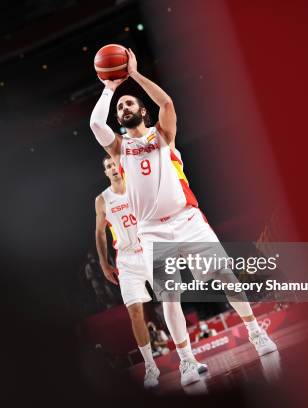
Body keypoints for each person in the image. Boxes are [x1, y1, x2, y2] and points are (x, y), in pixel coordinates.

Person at [88, 48, 277, 383]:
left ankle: (256, 333)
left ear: (142, 110)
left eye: (129, 103)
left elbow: (168, 105)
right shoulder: (119, 150)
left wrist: (132, 75)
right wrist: (109, 87)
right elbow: (94, 123)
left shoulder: (163, 137)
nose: (124, 107)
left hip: (187, 220)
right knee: (169, 297)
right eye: (120, 106)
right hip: (152, 232)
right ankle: (188, 361)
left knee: (225, 277)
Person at [95, 155, 206, 388]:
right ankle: (150, 367)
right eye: (108, 167)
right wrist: (104, 263)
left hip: (149, 248)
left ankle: (188, 359)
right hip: (126, 259)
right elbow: (99, 233)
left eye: (114, 164)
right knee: (135, 312)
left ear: (120, 166)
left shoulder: (137, 188)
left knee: (171, 300)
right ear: (105, 172)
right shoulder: (102, 200)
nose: (113, 168)